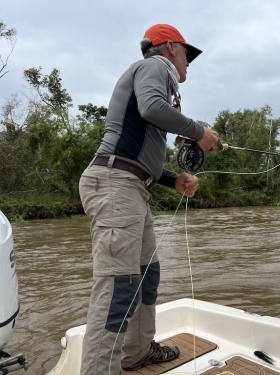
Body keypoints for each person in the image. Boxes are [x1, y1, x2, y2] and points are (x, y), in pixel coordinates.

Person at [78, 24, 220, 375]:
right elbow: (152, 108)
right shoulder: (156, 67)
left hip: (132, 185)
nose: (189, 61)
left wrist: (174, 180)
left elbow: (142, 151)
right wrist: (200, 132)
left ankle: (136, 352)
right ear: (171, 47)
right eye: (188, 53)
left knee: (146, 275)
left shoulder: (161, 81)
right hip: (115, 183)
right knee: (118, 286)